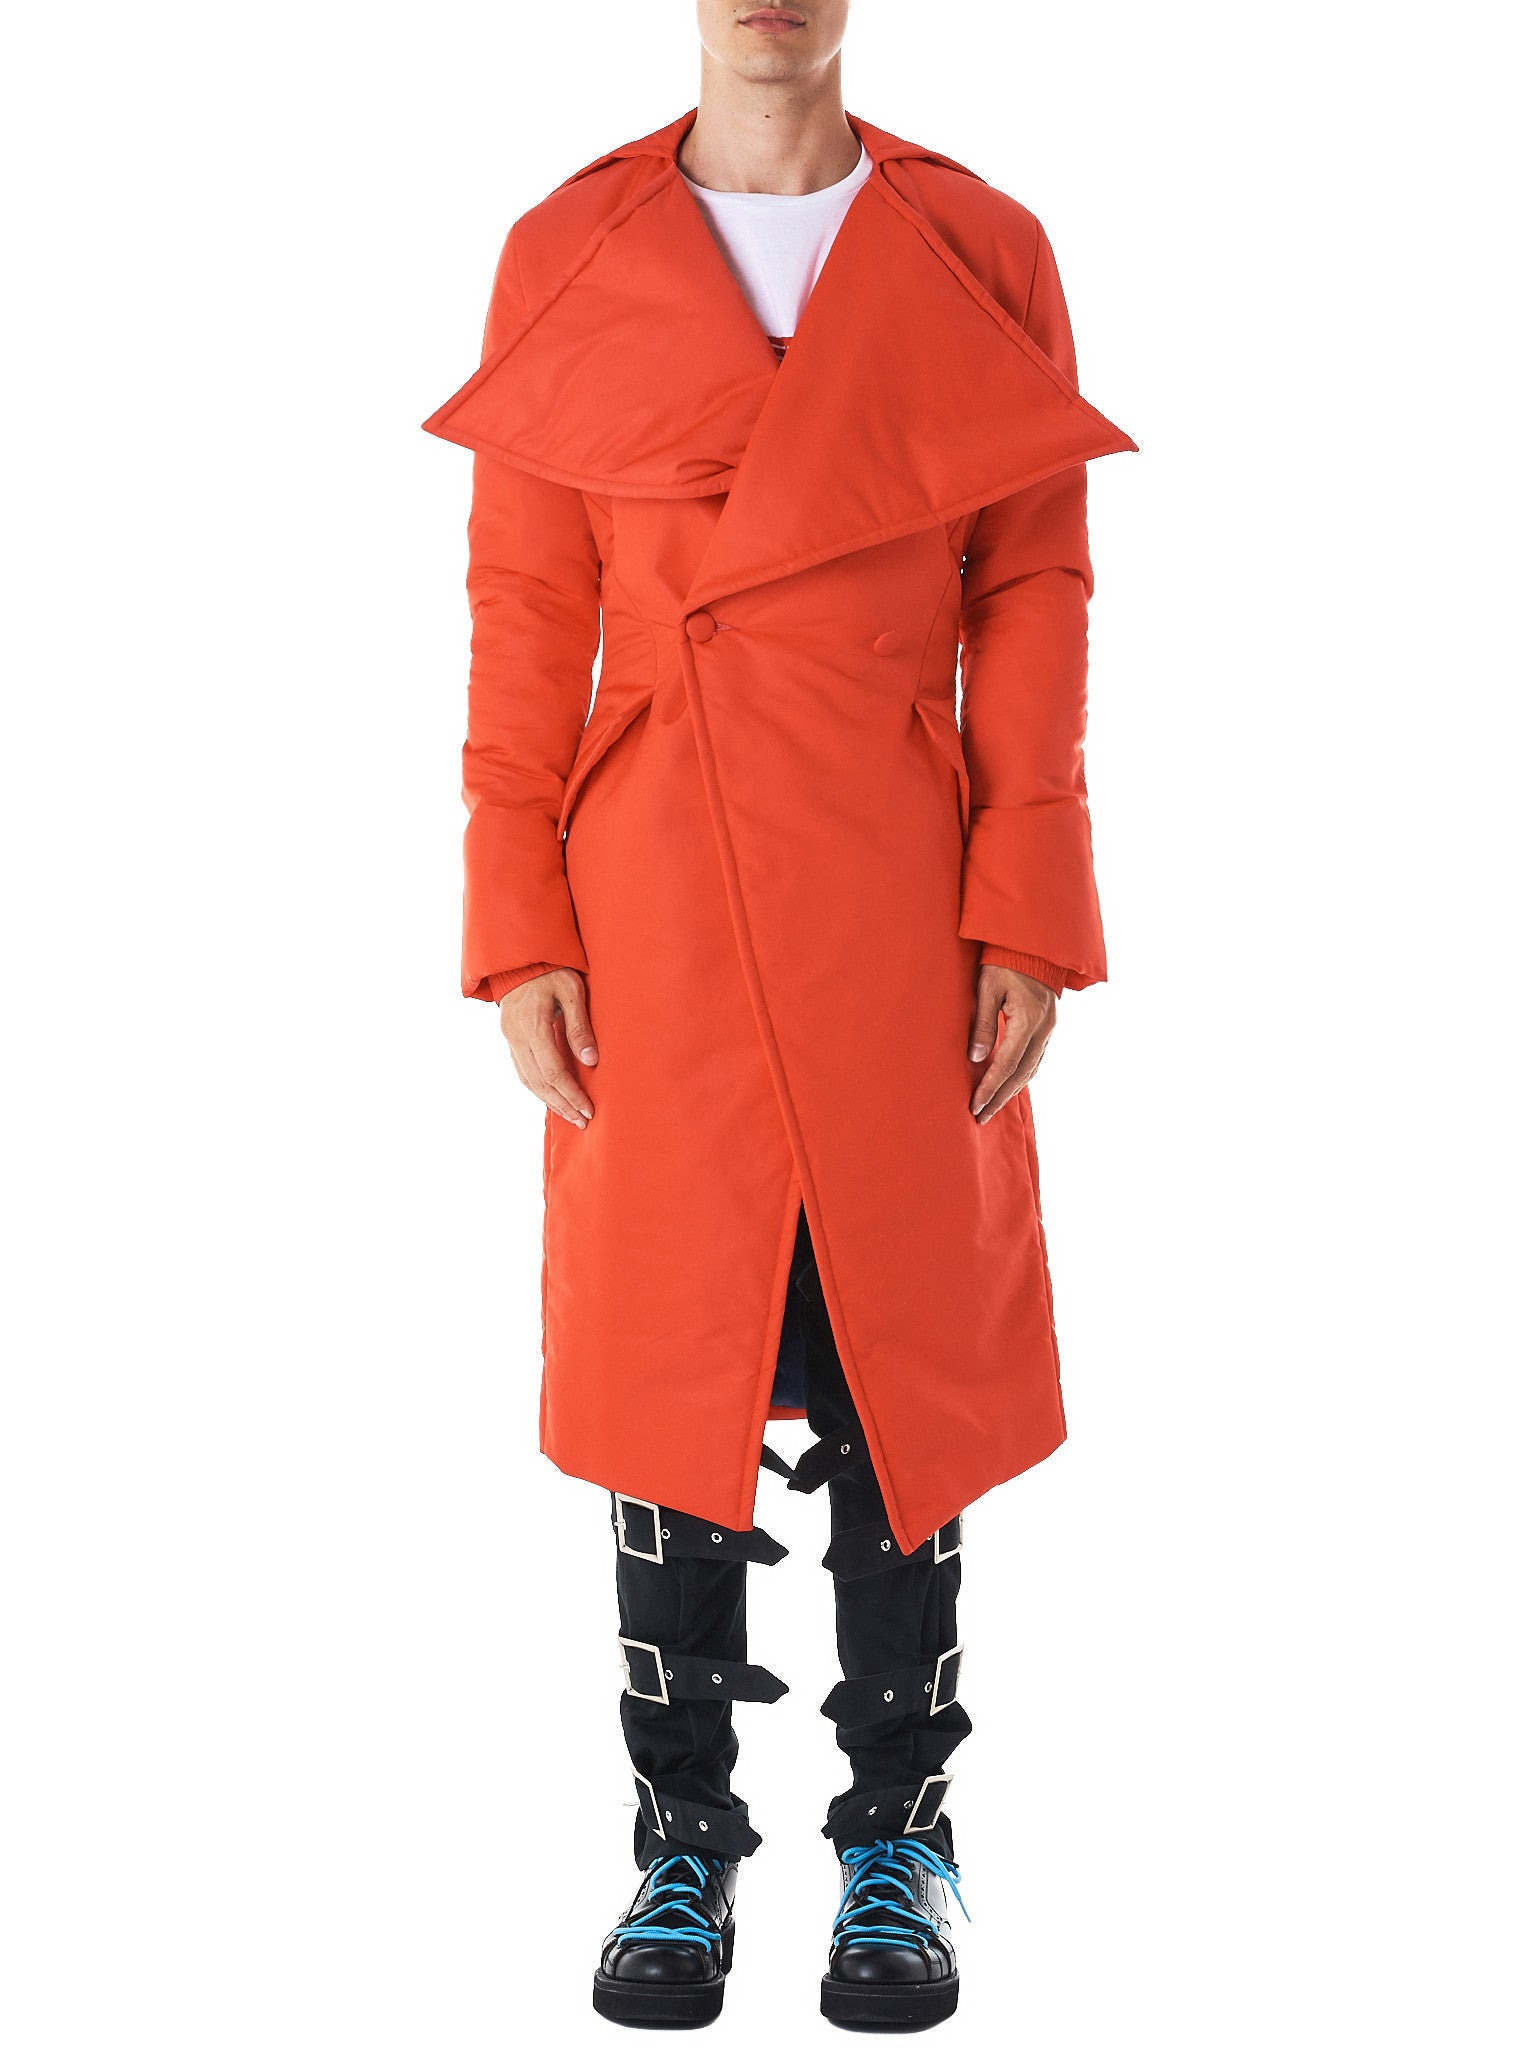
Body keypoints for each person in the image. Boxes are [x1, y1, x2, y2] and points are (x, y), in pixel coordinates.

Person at [424, 1, 1133, 2028]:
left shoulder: (978, 244)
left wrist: (1030, 892)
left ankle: (902, 1839)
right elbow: (527, 604)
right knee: (672, 1340)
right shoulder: (567, 244)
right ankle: (681, 1841)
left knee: (905, 1340)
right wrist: (516, 912)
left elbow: (1034, 585)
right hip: (652, 878)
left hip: (904, 878)